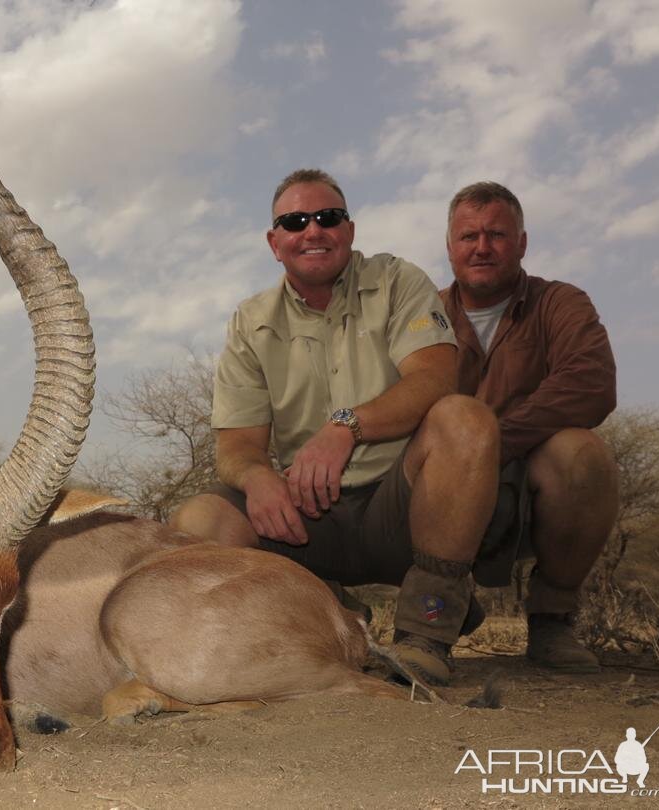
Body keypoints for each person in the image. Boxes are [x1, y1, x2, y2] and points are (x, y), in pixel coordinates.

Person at [169, 169, 500, 685]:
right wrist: (258, 479)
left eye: (328, 217)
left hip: (404, 508)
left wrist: (345, 427)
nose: (313, 230)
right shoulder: (249, 320)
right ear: (274, 243)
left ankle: (429, 627)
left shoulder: (399, 281)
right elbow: (237, 446)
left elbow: (435, 379)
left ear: (349, 230)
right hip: (307, 520)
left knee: (466, 419)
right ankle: (325, 610)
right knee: (197, 522)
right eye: (294, 221)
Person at [441, 181, 618, 672]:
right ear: (450, 246)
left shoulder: (560, 302)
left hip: (523, 481)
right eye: (468, 236)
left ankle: (552, 620)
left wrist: (491, 444)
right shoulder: (419, 314)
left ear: (521, 243)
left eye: (496, 234)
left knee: (582, 456)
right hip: (438, 484)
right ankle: (439, 606)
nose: (481, 247)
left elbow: (592, 382)